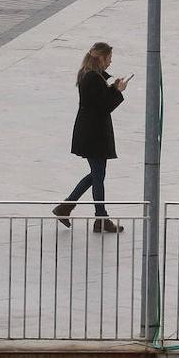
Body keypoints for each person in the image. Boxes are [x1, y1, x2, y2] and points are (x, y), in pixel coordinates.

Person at [52, 42, 129, 233]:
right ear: (101, 58)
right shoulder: (92, 78)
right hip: (93, 134)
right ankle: (99, 217)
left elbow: (98, 100)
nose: (110, 62)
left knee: (97, 174)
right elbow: (104, 106)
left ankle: (67, 207)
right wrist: (118, 91)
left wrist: (112, 88)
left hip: (91, 132)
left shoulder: (89, 75)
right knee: (98, 175)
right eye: (109, 58)